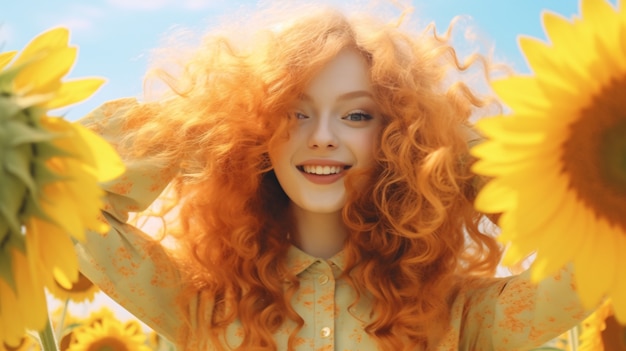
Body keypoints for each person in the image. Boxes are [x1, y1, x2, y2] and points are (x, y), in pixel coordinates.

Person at [75, 3, 588, 350]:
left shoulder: (456, 315)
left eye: (357, 115)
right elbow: (74, 195)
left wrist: (452, 155)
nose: (322, 136)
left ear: (400, 140)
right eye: (293, 112)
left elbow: (595, 247)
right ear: (254, 128)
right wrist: (202, 124)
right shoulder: (202, 303)